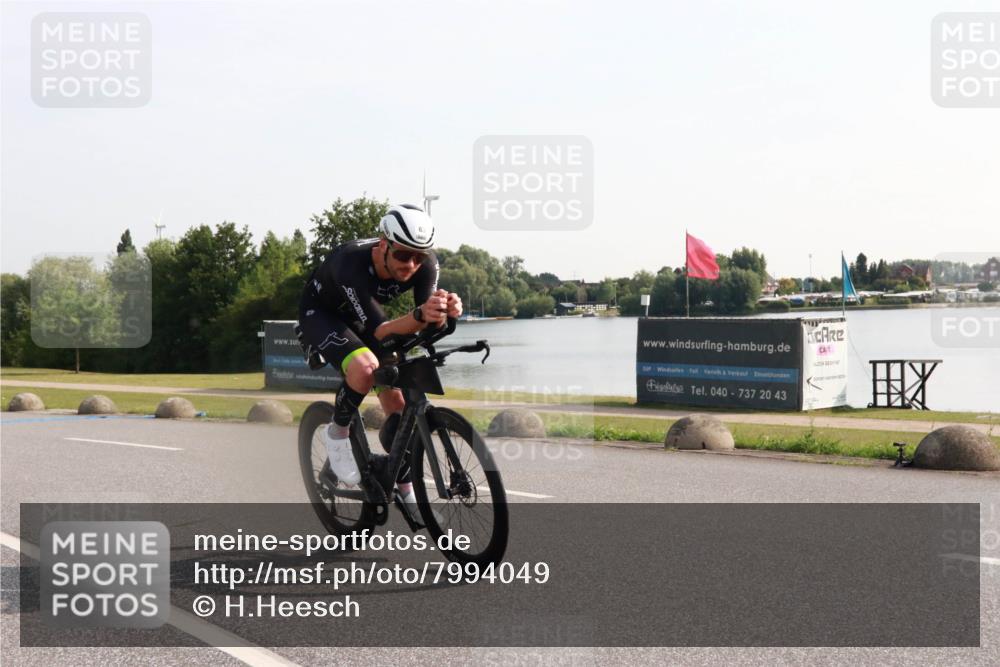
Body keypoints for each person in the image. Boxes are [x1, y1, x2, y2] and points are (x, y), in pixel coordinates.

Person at [297, 204, 462, 523]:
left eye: (419, 256)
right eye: (403, 255)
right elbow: (381, 330)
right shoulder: (351, 263)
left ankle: (406, 489)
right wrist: (419, 316)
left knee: (400, 403)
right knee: (366, 367)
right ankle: (338, 432)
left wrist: (446, 311)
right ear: (383, 244)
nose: (412, 265)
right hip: (323, 316)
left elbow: (424, 321)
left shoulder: (424, 264)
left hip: (366, 319)